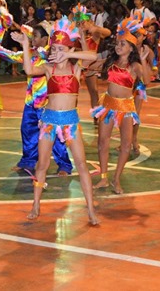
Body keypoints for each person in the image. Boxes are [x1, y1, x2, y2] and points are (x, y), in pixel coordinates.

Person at [13, 17, 99, 225]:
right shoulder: (48, 69)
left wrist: (69, 52)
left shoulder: (75, 69)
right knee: (42, 165)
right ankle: (36, 204)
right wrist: (25, 45)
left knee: (81, 165)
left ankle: (90, 209)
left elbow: (92, 56)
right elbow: (28, 70)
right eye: (55, 49)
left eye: (61, 49)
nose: (57, 53)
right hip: (50, 120)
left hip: (70, 121)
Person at [0, 24, 73, 177]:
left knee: (54, 136)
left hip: (47, 104)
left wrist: (28, 47)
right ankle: (28, 161)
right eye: (32, 36)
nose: (33, 39)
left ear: (45, 39)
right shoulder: (32, 53)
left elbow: (44, 55)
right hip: (31, 102)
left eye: (35, 36)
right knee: (27, 131)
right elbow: (13, 56)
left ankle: (64, 165)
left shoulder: (52, 55)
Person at [92, 16, 152, 194]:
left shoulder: (134, 65)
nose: (118, 47)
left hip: (126, 107)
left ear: (131, 48)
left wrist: (142, 60)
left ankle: (116, 178)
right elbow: (92, 62)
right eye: (118, 44)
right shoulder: (111, 62)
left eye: (123, 44)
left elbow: (147, 80)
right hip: (109, 105)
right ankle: (103, 178)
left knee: (126, 145)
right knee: (103, 142)